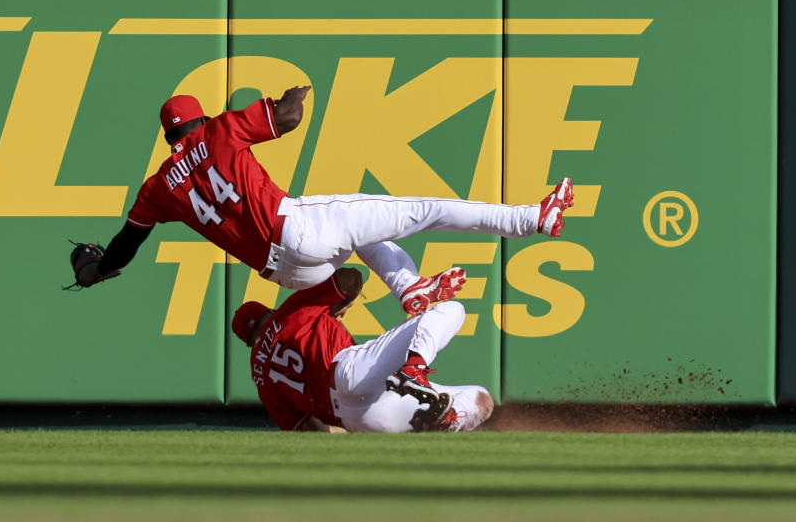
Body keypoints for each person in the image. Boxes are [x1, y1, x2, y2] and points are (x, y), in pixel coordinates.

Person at [78, 87, 574, 315]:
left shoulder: (158, 186)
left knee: (366, 233)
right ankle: (532, 218)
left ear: (169, 136)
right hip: (297, 230)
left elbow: (126, 245)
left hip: (286, 273)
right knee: (422, 210)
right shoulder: (220, 130)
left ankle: (409, 289)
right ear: (198, 120)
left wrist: (99, 270)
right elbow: (288, 118)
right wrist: (293, 94)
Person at [232, 267, 494, 433]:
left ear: (248, 343)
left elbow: (305, 429)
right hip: (349, 371)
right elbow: (351, 277)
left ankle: (447, 420)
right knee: (451, 310)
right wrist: (340, 303)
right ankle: (416, 368)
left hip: (358, 418)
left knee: (480, 399)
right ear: (270, 312)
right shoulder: (289, 313)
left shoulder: (260, 377)